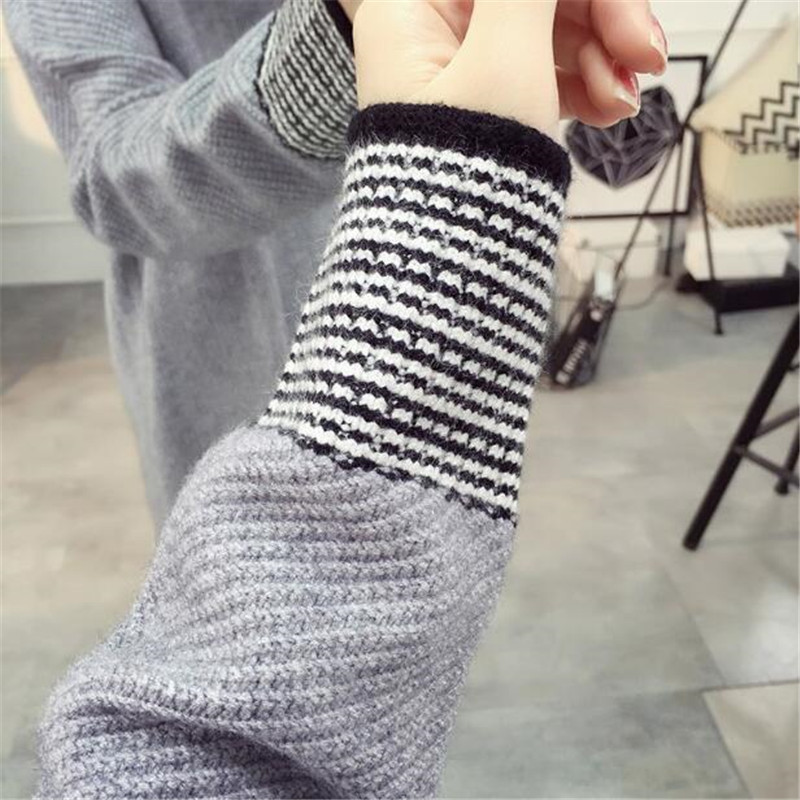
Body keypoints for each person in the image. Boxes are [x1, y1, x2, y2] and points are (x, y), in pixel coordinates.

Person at [17, 0, 668, 796]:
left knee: (387, 669)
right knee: (255, 646)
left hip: (416, 333)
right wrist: (351, 44)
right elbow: (114, 176)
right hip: (220, 351)